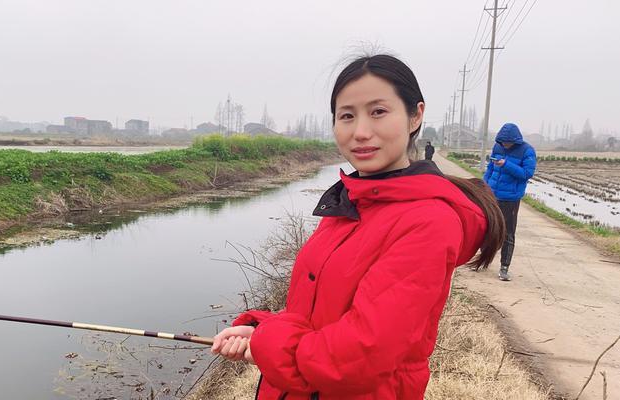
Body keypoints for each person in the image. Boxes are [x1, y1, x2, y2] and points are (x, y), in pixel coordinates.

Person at [210, 54, 506, 400]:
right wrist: (260, 327)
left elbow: (360, 353)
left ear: (415, 115)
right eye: (347, 116)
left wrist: (268, 343)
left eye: (378, 112)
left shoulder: (428, 221)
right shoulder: (352, 201)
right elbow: (318, 311)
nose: (361, 132)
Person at [483, 123, 537, 281]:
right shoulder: (498, 147)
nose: (504, 145)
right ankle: (483, 259)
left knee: (507, 232)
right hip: (492, 194)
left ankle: (504, 267)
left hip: (510, 198)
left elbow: (526, 173)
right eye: (502, 142)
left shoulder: (527, 151)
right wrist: (484, 185)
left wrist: (506, 164)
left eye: (507, 142)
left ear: (515, 140)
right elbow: (490, 169)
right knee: (487, 228)